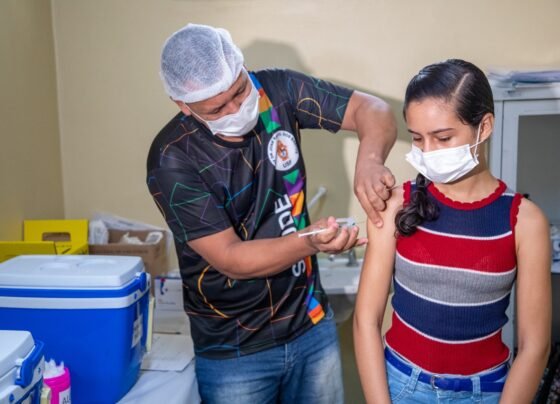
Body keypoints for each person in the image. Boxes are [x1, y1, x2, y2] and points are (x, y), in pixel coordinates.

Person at [146, 23, 397, 403]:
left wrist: (370, 162)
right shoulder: (172, 158)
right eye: (217, 108)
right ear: (183, 105)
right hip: (234, 349)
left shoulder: (276, 90)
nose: (236, 109)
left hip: (311, 324)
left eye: (239, 90)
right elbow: (231, 259)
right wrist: (310, 242)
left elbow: (372, 110)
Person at [353, 59, 552, 403]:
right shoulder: (396, 204)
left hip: (485, 392)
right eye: (418, 138)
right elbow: (365, 321)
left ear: (484, 127)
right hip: (401, 386)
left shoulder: (525, 222)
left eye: (443, 137)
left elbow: (535, 346)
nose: (428, 152)